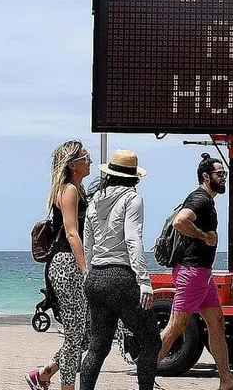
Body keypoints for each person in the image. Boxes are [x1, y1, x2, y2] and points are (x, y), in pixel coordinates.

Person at [158, 153, 233, 390]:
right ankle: (145, 377)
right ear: (205, 176)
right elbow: (180, 221)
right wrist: (204, 236)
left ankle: (226, 380)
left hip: (203, 275)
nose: (223, 178)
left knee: (217, 323)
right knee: (176, 327)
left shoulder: (207, 201)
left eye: (224, 174)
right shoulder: (199, 199)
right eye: (219, 174)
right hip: (192, 273)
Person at [79, 149, 160, 390]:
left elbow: (88, 242)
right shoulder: (132, 198)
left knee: (98, 346)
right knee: (150, 342)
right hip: (120, 276)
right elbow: (133, 239)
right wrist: (144, 279)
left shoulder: (95, 200)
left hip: (96, 275)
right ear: (134, 177)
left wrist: (89, 275)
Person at [26, 141, 93, 390]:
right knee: (75, 336)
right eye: (85, 158)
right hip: (67, 264)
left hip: (72, 263)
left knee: (85, 334)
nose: (90, 161)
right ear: (72, 164)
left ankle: (43, 374)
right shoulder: (69, 191)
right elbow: (72, 233)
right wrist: (85, 270)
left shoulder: (79, 189)